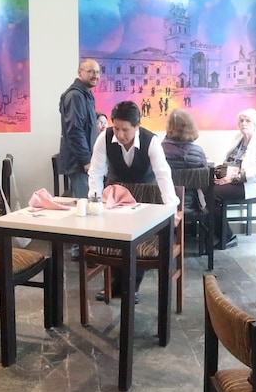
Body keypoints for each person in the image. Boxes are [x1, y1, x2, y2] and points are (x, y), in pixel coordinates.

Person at [88, 100, 181, 302]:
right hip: (116, 196)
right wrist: (95, 200)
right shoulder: (104, 138)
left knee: (138, 239)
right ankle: (115, 284)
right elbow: (96, 172)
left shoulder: (150, 141)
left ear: (137, 126)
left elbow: (163, 175)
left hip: (144, 197)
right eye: (116, 128)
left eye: (125, 130)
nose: (120, 135)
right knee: (113, 237)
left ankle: (131, 286)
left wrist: (171, 209)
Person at [58, 58, 100, 260]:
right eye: (90, 71)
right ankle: (80, 251)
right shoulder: (75, 95)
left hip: (83, 160)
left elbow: (86, 124)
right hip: (80, 162)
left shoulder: (85, 95)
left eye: (97, 72)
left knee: (87, 204)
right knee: (84, 206)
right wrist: (86, 160)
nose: (95, 75)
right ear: (80, 72)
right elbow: (74, 131)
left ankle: (85, 249)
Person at [213, 109, 256, 248]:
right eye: (241, 120)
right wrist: (217, 173)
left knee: (213, 193)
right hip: (231, 179)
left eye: (248, 121)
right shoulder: (238, 138)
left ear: (255, 124)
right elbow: (229, 161)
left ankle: (227, 236)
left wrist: (233, 178)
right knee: (205, 186)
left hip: (248, 184)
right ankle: (216, 232)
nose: (244, 123)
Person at [161, 108, 208, 214]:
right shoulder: (198, 152)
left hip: (163, 204)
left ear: (169, 128)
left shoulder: (159, 151)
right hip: (191, 205)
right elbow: (205, 181)